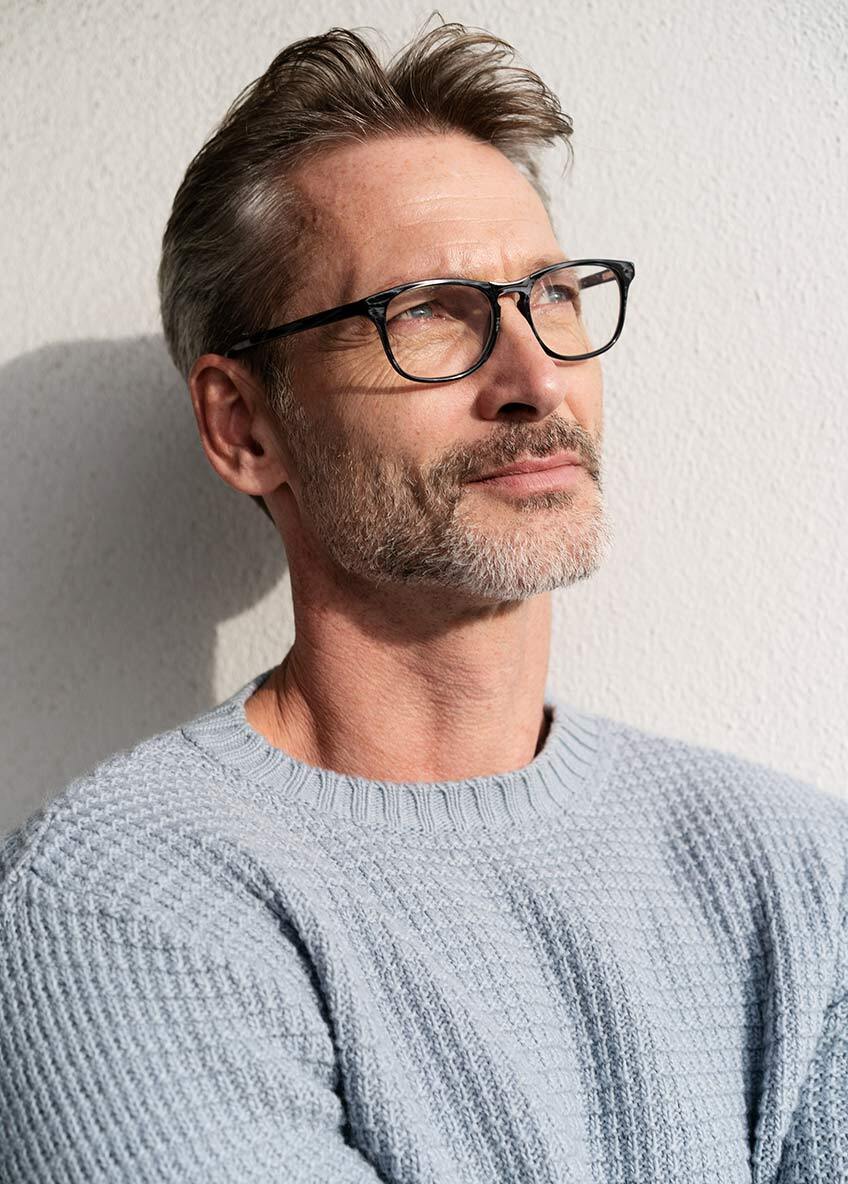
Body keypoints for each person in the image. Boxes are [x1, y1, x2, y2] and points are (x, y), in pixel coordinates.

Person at [1, 20, 845, 1184]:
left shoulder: (794, 869)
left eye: (551, 295)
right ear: (244, 426)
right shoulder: (123, 896)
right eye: (428, 312)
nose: (535, 378)